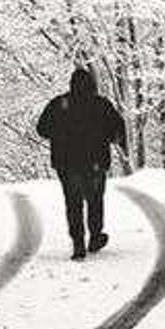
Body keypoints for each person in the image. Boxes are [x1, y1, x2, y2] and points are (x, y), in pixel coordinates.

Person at [36, 66, 128, 260]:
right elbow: (118, 131)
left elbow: (41, 129)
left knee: (73, 202)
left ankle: (78, 243)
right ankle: (95, 236)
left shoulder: (59, 104)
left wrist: (60, 133)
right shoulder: (101, 105)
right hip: (95, 162)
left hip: (66, 164)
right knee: (95, 200)